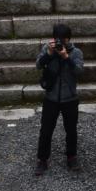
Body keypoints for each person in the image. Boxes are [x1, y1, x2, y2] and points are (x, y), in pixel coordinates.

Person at [35, 21, 84, 173]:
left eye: (63, 39)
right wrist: (49, 54)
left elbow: (79, 72)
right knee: (46, 130)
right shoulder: (48, 49)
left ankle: (71, 157)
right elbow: (38, 65)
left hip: (70, 98)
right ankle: (42, 160)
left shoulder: (76, 52)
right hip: (51, 97)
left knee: (71, 130)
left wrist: (66, 57)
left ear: (69, 39)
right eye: (58, 39)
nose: (60, 42)